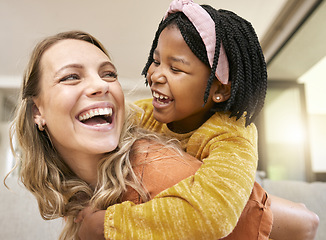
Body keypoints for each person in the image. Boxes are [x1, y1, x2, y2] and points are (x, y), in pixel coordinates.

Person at [78, 1, 318, 240]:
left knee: (305, 222)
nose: (156, 75)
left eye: (176, 69)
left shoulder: (232, 135)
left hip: (249, 217)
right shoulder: (146, 115)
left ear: (220, 90)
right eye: (156, 60)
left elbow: (213, 215)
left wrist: (109, 225)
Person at [7, 30, 274, 240]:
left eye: (108, 74)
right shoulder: (78, 184)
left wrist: (108, 227)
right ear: (36, 111)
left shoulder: (154, 169)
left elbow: (299, 224)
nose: (101, 84)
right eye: (71, 77)